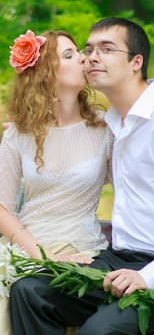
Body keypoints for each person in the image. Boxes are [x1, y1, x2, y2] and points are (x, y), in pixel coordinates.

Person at [10, 17, 154, 335]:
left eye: (107, 49)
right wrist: (25, 131)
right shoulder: (112, 125)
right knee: (31, 292)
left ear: (136, 62)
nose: (92, 56)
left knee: (99, 329)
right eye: (89, 49)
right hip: (118, 260)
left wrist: (149, 276)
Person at [0, 29, 113, 335]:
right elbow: (2, 208)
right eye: (69, 55)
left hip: (80, 250)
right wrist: (38, 253)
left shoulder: (106, 130)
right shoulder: (19, 133)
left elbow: (138, 189)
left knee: (32, 292)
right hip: (27, 251)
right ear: (45, 74)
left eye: (80, 51)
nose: (83, 58)